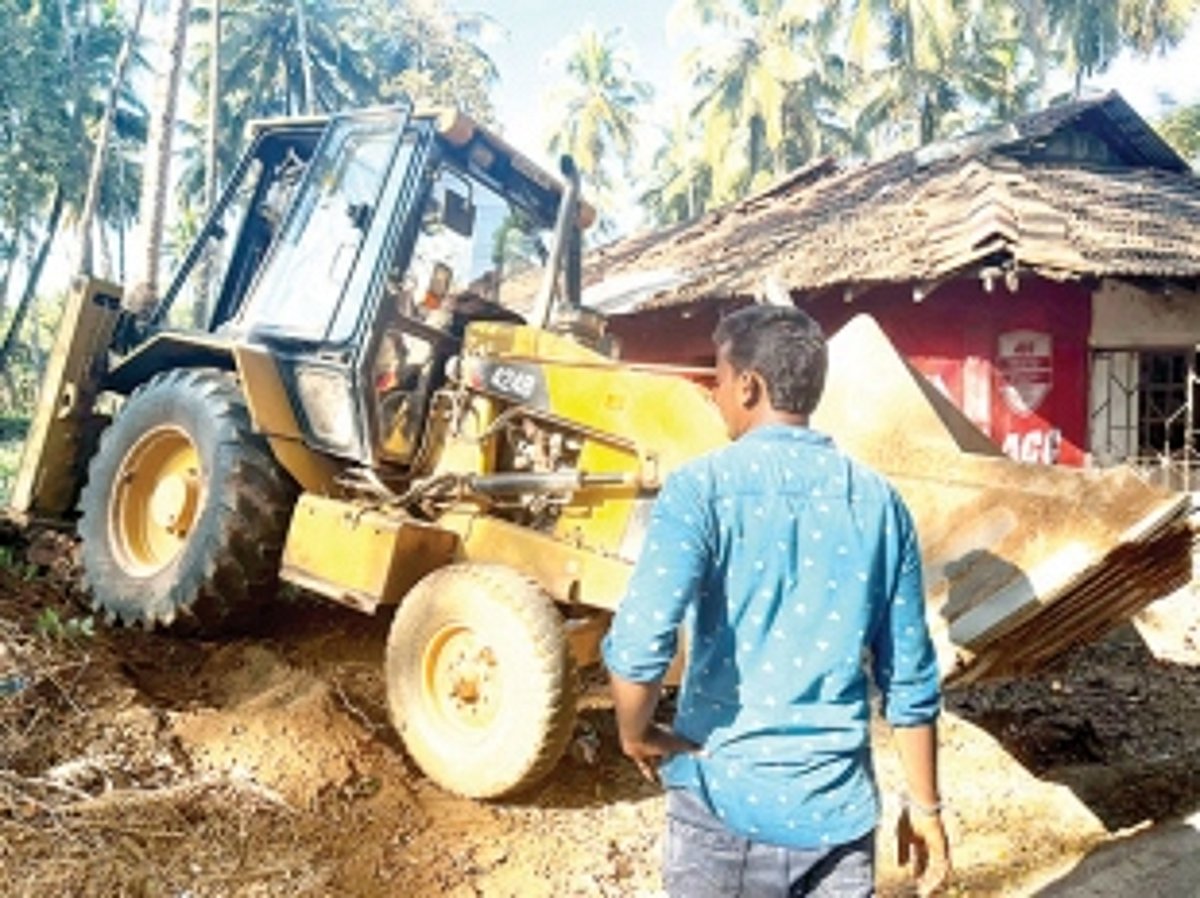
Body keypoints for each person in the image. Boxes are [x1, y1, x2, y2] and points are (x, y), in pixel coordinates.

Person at [601, 305, 950, 897]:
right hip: (837, 821)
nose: (713, 396)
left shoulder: (699, 490)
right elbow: (910, 679)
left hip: (721, 808)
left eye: (716, 379)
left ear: (749, 385)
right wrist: (927, 807)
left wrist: (635, 732)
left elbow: (639, 648)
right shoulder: (878, 504)